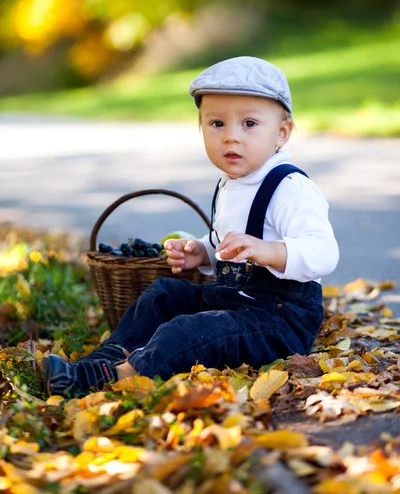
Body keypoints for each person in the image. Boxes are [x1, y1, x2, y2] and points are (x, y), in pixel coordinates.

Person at [43, 56, 339, 398]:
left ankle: (115, 376)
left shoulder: (289, 188)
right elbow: (224, 242)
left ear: (281, 133)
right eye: (217, 124)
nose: (231, 138)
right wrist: (203, 251)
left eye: (249, 124)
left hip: (278, 320)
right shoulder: (231, 182)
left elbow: (324, 252)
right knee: (164, 294)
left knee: (188, 331)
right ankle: (109, 356)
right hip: (233, 299)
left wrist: (269, 251)